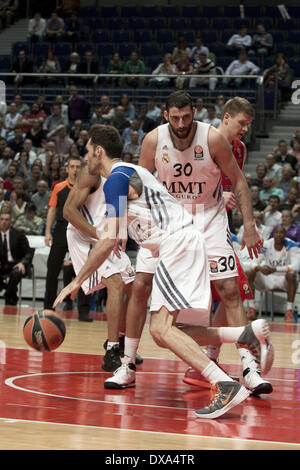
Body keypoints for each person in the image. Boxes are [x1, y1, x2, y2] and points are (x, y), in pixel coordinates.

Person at [54, 124, 274, 419]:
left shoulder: (117, 178)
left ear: (99, 151)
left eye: (88, 151)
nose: (86, 159)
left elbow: (108, 238)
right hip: (180, 244)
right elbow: (114, 233)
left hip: (177, 244)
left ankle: (223, 384)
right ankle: (244, 333)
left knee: (160, 328)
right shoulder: (123, 176)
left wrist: (77, 281)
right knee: (167, 332)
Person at [106, 91, 268, 396]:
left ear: (194, 112)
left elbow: (240, 181)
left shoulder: (213, 139)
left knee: (230, 290)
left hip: (209, 217)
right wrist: (122, 226)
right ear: (166, 114)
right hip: (167, 219)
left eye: (186, 116)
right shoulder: (154, 140)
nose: (181, 123)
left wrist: (249, 225)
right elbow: (137, 183)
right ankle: (127, 365)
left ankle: (249, 367)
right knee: (140, 285)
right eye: (175, 117)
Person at [183, 97, 272, 394]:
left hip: (218, 230)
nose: (245, 129)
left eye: (248, 124)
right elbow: (183, 188)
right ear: (225, 117)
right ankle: (125, 352)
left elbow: (234, 187)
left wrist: (247, 225)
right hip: (187, 230)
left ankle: (226, 362)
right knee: (182, 311)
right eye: (241, 123)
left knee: (235, 291)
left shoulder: (240, 149)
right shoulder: (200, 141)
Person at [63, 163, 140, 371]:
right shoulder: (91, 172)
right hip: (85, 237)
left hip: (107, 236)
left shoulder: (119, 176)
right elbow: (68, 211)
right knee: (115, 284)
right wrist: (99, 235)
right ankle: (111, 352)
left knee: (134, 287)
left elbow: (119, 206)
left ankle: (120, 340)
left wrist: (119, 230)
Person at [44, 156, 92, 322]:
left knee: (84, 270)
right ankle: (48, 307)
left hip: (79, 229)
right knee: (52, 269)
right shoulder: (59, 187)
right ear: (67, 169)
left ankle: (84, 310)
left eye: (78, 166)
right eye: (72, 166)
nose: (75, 169)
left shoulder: (86, 187)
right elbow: (51, 210)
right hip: (61, 229)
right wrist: (47, 232)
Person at [246, 226, 300, 323]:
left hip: (283, 279)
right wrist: (259, 268)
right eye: (276, 232)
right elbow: (252, 262)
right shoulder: (266, 245)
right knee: (250, 272)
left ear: (285, 235)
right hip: (267, 278)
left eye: (281, 233)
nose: (279, 235)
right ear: (273, 234)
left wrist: (275, 269)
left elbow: (296, 266)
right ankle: (251, 309)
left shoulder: (292, 245)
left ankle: (289, 311)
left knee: (292, 275)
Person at [0, 210, 33, 305]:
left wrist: (22, 262)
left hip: (16, 264)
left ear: (11, 222)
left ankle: (8, 294)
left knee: (16, 272)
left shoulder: (18, 233)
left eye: (6, 220)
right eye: (1, 219)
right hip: (2, 265)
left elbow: (29, 252)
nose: (4, 222)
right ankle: (11, 291)